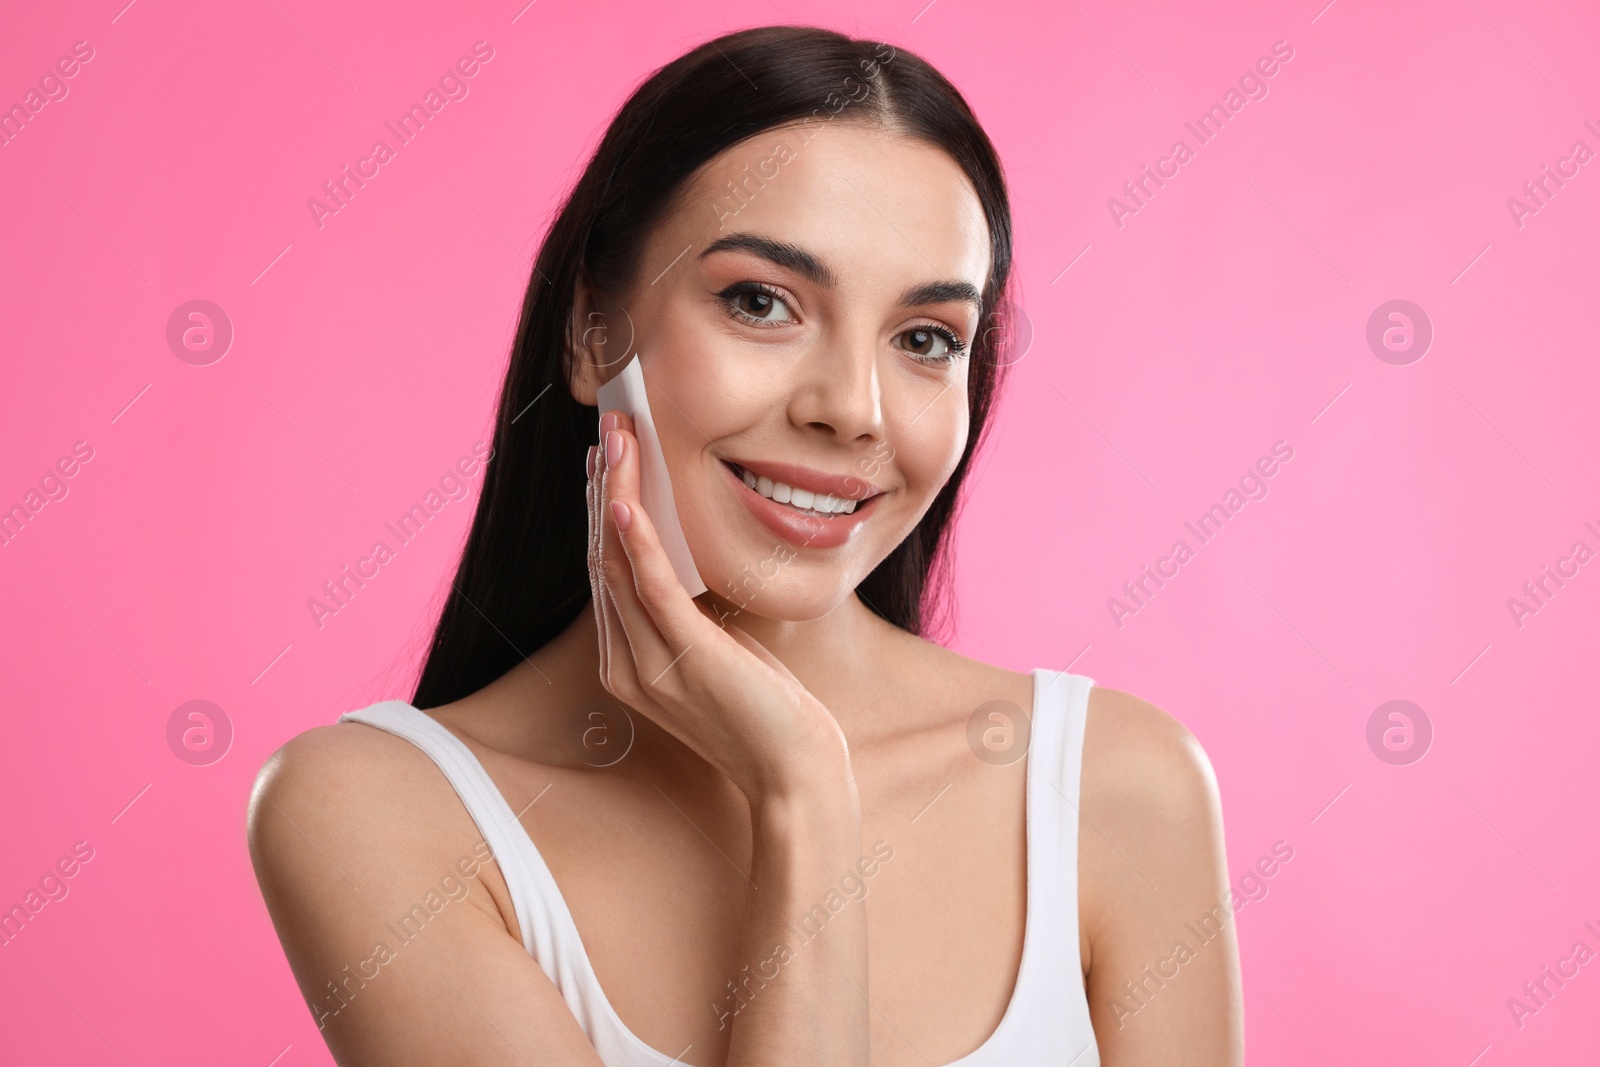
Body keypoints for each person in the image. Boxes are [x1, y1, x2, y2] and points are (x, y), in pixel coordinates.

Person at [248, 24, 1243, 1066]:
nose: (851, 410)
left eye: (924, 338)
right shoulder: (378, 813)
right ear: (594, 332)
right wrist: (801, 792)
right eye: (760, 302)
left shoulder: (1118, 788)